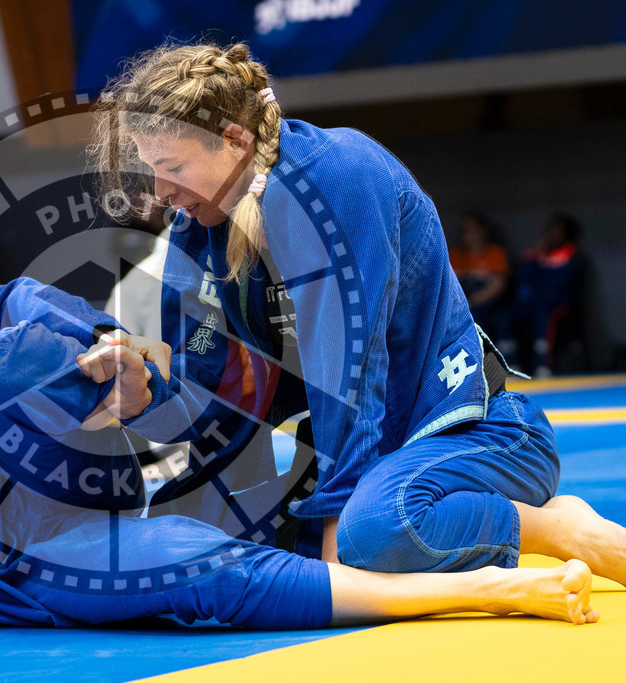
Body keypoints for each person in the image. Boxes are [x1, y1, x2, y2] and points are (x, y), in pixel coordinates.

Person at [0, 254, 601, 656]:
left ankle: (539, 517)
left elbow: (3, 303)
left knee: (25, 361)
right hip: (16, 553)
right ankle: (481, 584)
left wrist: (99, 339)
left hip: (61, 452)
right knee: (199, 569)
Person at [86, 41, 626, 581]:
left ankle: (554, 527)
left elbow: (351, 374)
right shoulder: (198, 229)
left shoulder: (335, 176)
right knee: (178, 539)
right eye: (152, 169)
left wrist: (335, 549)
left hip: (475, 437)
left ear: (233, 139)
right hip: (370, 464)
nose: (160, 191)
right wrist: (146, 391)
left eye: (173, 167)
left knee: (370, 533)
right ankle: (388, 528)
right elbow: (213, 392)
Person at [515, 212, 587, 376]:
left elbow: (563, 284)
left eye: (557, 230)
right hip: (533, 303)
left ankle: (542, 365)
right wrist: (535, 255)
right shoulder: (538, 254)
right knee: (505, 317)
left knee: (543, 315)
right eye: (550, 230)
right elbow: (524, 279)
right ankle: (512, 365)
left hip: (558, 303)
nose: (552, 234)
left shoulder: (571, 254)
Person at [448, 211, 514, 358]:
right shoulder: (455, 255)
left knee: (500, 320)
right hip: (461, 303)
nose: (468, 233)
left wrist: (472, 301)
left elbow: (498, 285)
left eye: (472, 228)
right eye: (465, 229)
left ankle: (508, 362)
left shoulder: (495, 253)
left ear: (483, 230)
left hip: (487, 303)